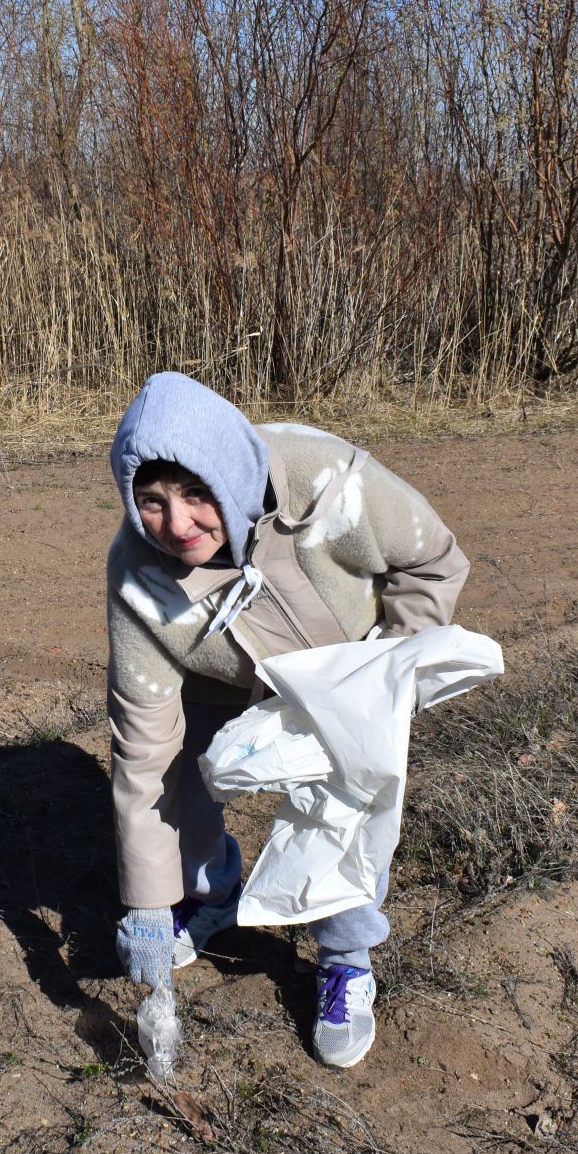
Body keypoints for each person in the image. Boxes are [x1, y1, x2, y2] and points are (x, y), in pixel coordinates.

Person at [107, 372, 469, 1068]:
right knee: (181, 770)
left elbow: (433, 561)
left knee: (344, 805)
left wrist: (387, 681)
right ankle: (207, 893)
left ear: (229, 475)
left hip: (346, 662)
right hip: (221, 665)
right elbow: (141, 748)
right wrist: (148, 903)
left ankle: (345, 957)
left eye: (195, 493)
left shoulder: (328, 480)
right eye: (150, 502)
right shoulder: (137, 576)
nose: (176, 526)